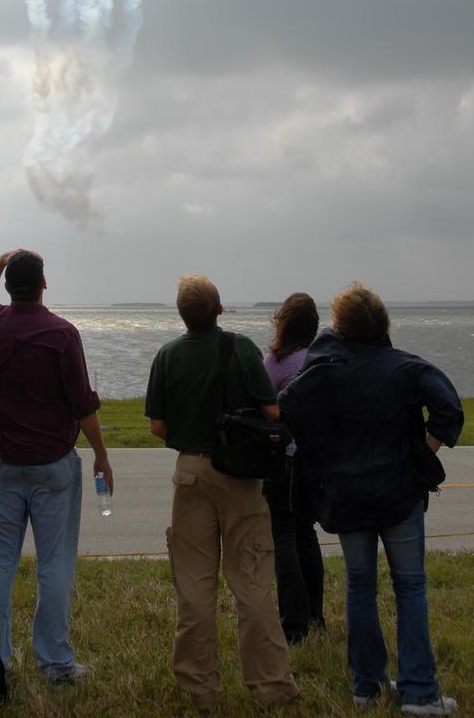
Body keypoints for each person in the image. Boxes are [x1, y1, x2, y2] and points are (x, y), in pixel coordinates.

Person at [280, 282, 464, 716]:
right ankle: (419, 692)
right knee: (410, 586)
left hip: (347, 496)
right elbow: (450, 411)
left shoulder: (322, 368)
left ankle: (367, 685)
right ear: (383, 324)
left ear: (340, 326)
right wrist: (421, 454)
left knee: (361, 586)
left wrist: (325, 456)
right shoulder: (408, 368)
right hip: (399, 496)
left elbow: (289, 409)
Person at [145, 275, 300, 713]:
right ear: (220, 309)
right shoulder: (244, 349)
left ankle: (198, 689)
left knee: (193, 587)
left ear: (182, 315)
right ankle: (271, 685)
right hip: (241, 476)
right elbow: (271, 411)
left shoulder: (168, 356)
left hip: (190, 473)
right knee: (251, 582)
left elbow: (157, 426)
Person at [0, 249, 113, 682]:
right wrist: (102, 456)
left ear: (10, 287)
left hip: (2, 465)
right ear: (44, 284)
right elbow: (82, 403)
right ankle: (56, 664)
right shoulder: (63, 334)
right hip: (53, 468)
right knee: (55, 565)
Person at [262, 292, 325, 644]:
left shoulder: (277, 360)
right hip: (313, 459)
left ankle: (294, 623)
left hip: (283, 458)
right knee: (306, 534)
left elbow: (261, 400)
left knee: (283, 536)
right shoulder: (320, 359)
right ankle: (315, 615)